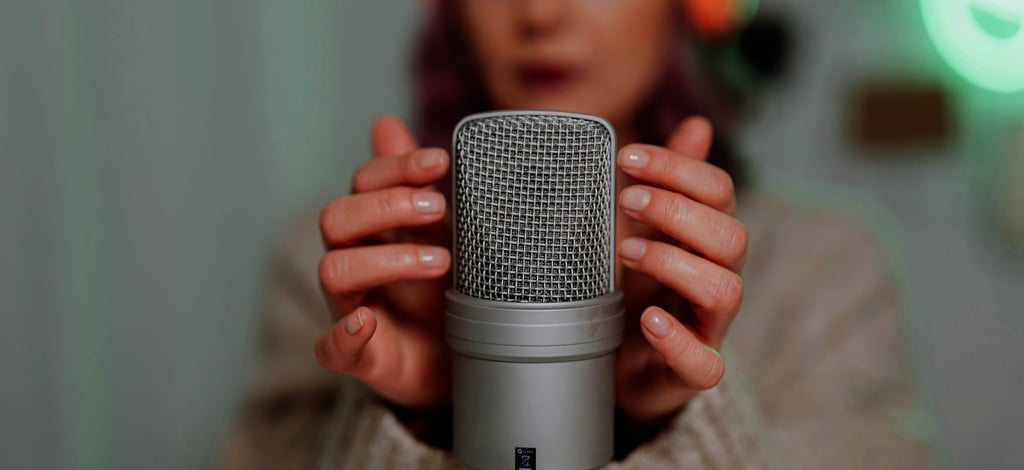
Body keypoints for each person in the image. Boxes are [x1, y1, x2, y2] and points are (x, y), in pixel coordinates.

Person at [224, 1, 932, 468]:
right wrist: (419, 409)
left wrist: (675, 415)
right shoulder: (336, 265)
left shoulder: (828, 267)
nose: (541, 13)